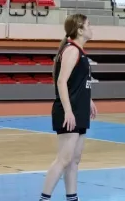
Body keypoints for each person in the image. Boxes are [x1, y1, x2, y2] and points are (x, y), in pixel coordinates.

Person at [39, 14, 97, 201]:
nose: (91, 27)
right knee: (63, 159)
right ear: (79, 29)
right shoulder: (72, 50)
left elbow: (77, 82)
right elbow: (61, 82)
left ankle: (72, 197)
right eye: (88, 25)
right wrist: (69, 111)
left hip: (79, 109)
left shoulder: (79, 51)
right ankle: (44, 198)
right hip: (68, 111)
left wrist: (88, 101)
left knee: (74, 160)